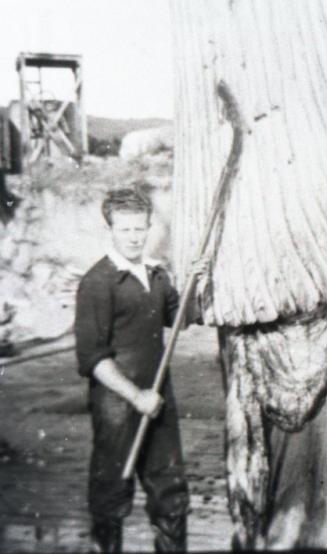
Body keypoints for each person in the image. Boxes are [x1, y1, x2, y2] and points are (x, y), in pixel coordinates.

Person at [74, 187, 208, 552]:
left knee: (170, 489)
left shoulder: (157, 276)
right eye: (125, 230)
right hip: (117, 405)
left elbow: (182, 318)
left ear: (148, 228)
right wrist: (136, 397)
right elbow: (93, 359)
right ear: (111, 230)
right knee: (111, 492)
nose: (134, 237)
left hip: (158, 399)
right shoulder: (98, 283)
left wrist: (196, 283)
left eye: (140, 229)